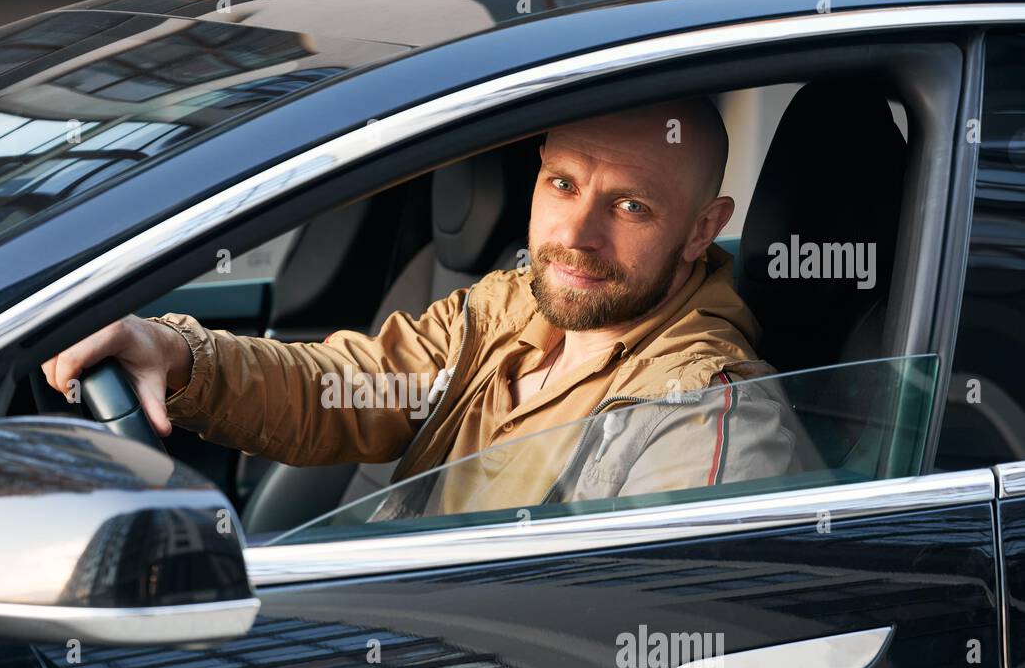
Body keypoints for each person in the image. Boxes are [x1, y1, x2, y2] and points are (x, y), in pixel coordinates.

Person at [43, 97, 799, 518]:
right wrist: (175, 352)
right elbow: (341, 387)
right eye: (563, 184)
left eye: (630, 206)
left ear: (702, 227)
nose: (575, 235)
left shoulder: (703, 418)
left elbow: (629, 659)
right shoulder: (508, 307)